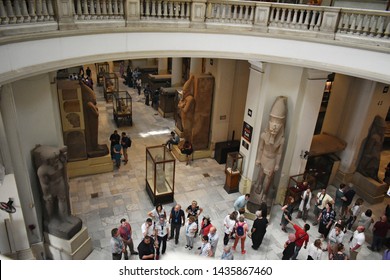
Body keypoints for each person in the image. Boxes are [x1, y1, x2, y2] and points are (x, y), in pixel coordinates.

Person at [32, 145, 82, 239]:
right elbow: (44, 184)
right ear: (47, 160)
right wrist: (46, 194)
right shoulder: (42, 170)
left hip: (60, 183)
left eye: (56, 159)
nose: (55, 161)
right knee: (50, 202)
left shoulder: (59, 162)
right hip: (51, 186)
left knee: (62, 199)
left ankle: (64, 216)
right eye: (53, 160)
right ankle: (50, 220)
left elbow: (63, 169)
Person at [248, 96, 287, 211]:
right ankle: (259, 186)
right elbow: (260, 148)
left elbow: (279, 153)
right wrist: (258, 159)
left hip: (272, 159)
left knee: (269, 178)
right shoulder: (264, 135)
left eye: (277, 125)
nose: (274, 128)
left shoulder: (281, 140)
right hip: (264, 156)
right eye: (273, 124)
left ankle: (265, 193)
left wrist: (277, 164)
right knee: (261, 174)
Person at [357, 115, 386, 182]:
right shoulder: (374, 137)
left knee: (376, 164)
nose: (382, 131)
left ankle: (374, 175)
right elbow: (368, 148)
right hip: (370, 154)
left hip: (376, 153)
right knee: (370, 161)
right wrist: (369, 155)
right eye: (382, 128)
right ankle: (363, 170)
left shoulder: (380, 137)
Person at [177, 75, 195, 141]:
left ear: (189, 91)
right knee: (185, 130)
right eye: (183, 91)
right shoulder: (184, 98)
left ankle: (188, 142)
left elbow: (185, 110)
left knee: (188, 132)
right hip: (183, 117)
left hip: (188, 118)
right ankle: (186, 141)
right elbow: (178, 105)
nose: (184, 93)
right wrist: (182, 105)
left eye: (185, 91)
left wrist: (182, 106)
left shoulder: (190, 99)